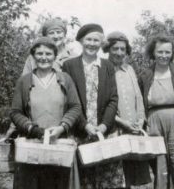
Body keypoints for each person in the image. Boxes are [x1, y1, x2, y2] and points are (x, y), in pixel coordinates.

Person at [10, 37, 82, 189]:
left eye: (48, 54)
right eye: (39, 53)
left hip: (59, 145)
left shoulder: (64, 79)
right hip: (32, 145)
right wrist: (33, 129)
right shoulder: (24, 81)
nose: (44, 57)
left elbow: (75, 107)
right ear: (33, 56)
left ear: (55, 56)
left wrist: (62, 127)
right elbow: (16, 112)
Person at [63, 24, 125, 188]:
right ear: (82, 41)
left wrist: (104, 125)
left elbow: (113, 98)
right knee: (84, 180)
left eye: (96, 40)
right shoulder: (69, 66)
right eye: (88, 39)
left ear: (101, 43)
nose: (91, 44)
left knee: (108, 178)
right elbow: (69, 101)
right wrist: (85, 125)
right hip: (81, 131)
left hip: (105, 132)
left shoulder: (107, 66)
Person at [138, 34, 174, 189]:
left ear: (172, 53)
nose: (164, 56)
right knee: (159, 163)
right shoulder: (145, 75)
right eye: (160, 52)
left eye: (167, 52)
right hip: (154, 122)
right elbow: (140, 101)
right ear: (153, 53)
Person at [102, 31, 152, 187]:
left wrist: (140, 120)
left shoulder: (129, 69)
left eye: (122, 49)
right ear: (108, 49)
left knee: (135, 176)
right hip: (115, 129)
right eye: (115, 48)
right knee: (118, 176)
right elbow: (103, 104)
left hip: (135, 128)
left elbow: (138, 96)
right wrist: (123, 123)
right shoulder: (103, 69)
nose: (119, 52)